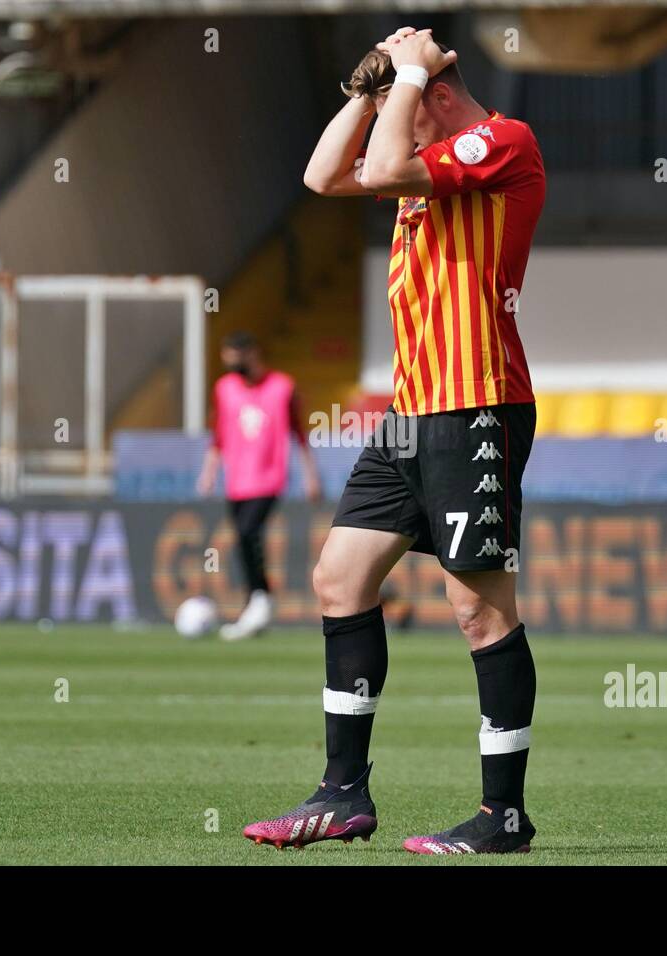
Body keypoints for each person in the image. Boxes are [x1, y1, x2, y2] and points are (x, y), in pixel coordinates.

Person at [243, 27, 546, 854]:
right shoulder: (421, 159)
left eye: (402, 113)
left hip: (476, 407)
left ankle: (503, 815)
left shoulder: (502, 142)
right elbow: (322, 176)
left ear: (439, 98)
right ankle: (344, 794)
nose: (390, 131)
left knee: (479, 613)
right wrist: (366, 88)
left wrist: (408, 77)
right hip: (410, 416)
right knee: (339, 577)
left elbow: (377, 169)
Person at [197, 331, 321, 641]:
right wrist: (209, 471)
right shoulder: (224, 389)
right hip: (235, 479)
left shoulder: (282, 387)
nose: (233, 366)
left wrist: (310, 475)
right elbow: (219, 434)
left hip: (268, 477)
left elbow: (298, 432)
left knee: (249, 532)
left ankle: (261, 598)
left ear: (252, 354)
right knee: (242, 539)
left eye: (236, 358)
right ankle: (256, 600)